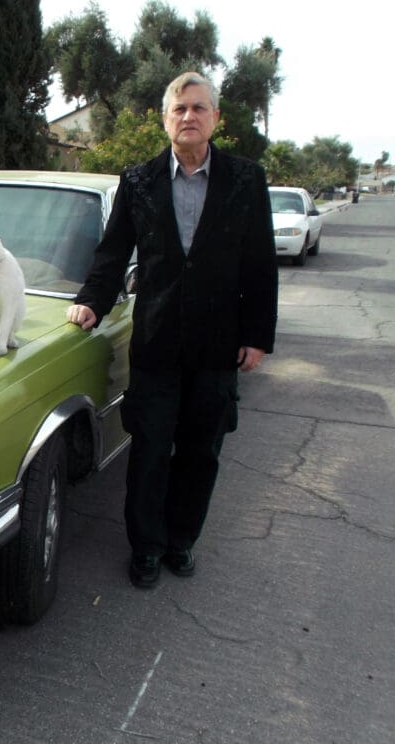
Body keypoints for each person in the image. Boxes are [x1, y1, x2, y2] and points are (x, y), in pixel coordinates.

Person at [66, 71, 278, 588]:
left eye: (198, 108)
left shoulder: (246, 180)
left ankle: (181, 541)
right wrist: (92, 302)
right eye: (179, 108)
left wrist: (256, 335)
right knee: (151, 448)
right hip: (157, 345)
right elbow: (114, 251)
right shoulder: (138, 181)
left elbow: (260, 263)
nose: (189, 116)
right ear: (165, 118)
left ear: (215, 119)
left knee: (202, 450)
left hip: (217, 347)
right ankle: (146, 546)